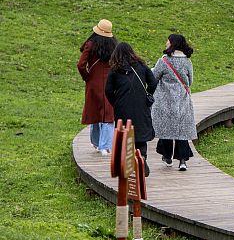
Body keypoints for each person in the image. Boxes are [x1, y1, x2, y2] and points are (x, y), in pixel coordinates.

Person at [105, 41, 156, 174]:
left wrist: (115, 103)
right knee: (140, 134)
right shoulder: (142, 66)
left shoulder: (115, 70)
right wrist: (148, 94)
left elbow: (108, 90)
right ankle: (142, 157)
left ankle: (127, 164)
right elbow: (153, 82)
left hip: (122, 107)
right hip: (141, 106)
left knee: (125, 134)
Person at [152, 35, 197, 171]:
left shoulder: (164, 61)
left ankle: (167, 156)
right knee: (181, 130)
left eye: (168, 40)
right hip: (182, 100)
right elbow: (190, 81)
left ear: (173, 44)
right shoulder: (187, 61)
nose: (166, 42)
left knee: (167, 129)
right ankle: (182, 161)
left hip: (165, 101)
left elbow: (154, 77)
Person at [77, 18, 118, 155]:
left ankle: (96, 142)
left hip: (93, 81)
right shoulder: (114, 45)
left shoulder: (90, 44)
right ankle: (105, 146)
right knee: (108, 113)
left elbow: (81, 64)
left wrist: (87, 76)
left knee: (95, 111)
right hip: (111, 81)